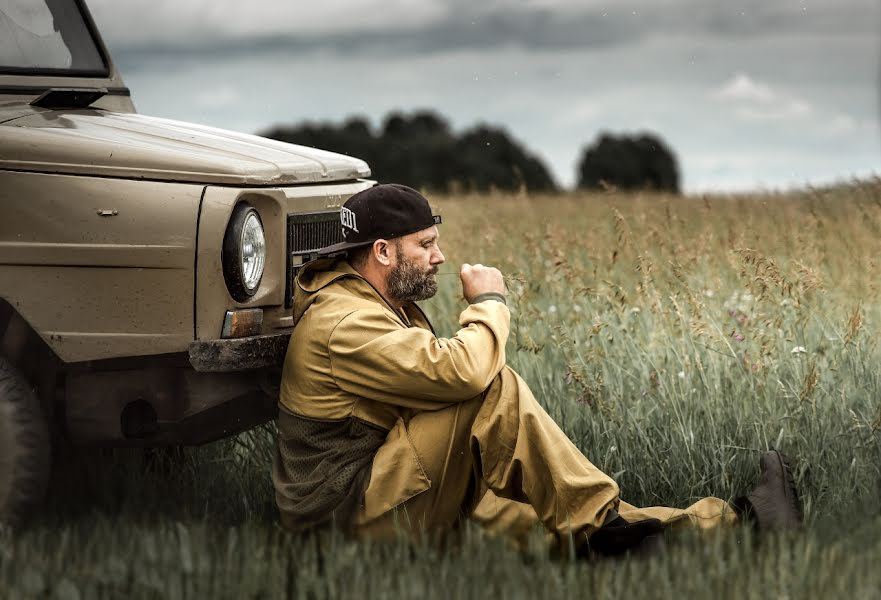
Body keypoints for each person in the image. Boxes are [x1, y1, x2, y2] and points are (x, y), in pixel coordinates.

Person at [272, 183, 801, 556]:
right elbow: (464, 375)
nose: (440, 256)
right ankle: (604, 526)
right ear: (383, 251)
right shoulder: (345, 322)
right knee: (489, 388)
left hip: (379, 493)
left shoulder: (366, 302)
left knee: (540, 523)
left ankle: (731, 527)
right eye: (426, 244)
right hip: (341, 529)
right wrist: (490, 301)